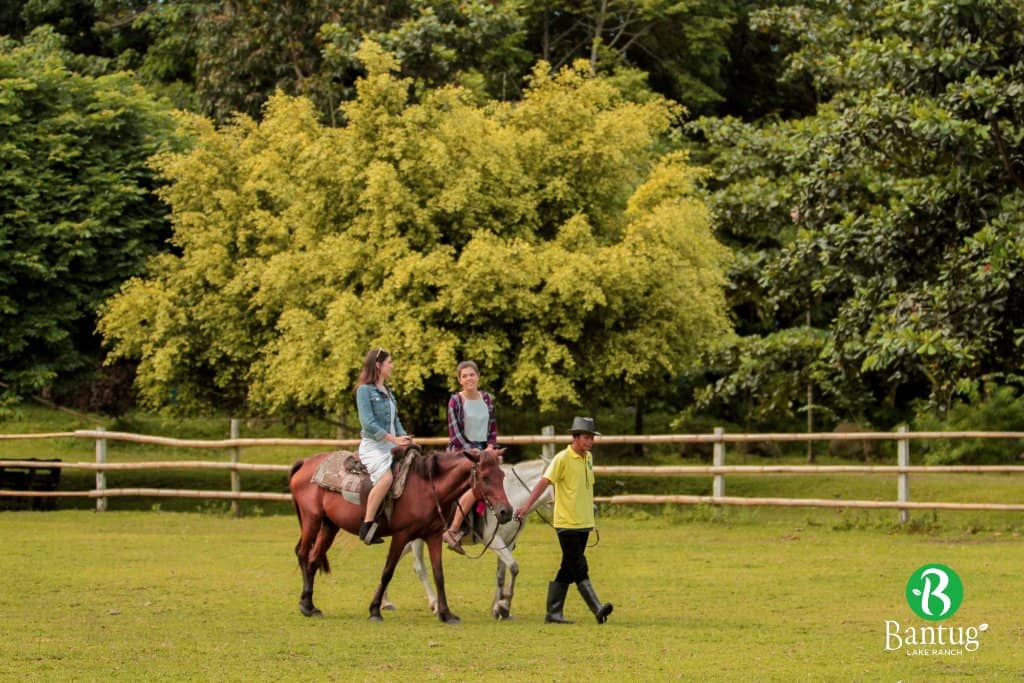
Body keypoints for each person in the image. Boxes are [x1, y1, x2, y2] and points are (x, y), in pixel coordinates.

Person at [515, 416, 613, 624]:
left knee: (567, 567)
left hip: (584, 523)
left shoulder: (588, 458)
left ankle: (553, 612)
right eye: (586, 437)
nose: (590, 442)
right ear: (575, 438)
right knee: (579, 565)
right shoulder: (561, 459)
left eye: (592, 438)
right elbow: (544, 483)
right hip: (566, 523)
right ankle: (597, 608)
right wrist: (526, 507)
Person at [355, 348, 412, 545]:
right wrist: (393, 439)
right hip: (373, 447)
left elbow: (395, 421)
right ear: (378, 365)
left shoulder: (389, 392)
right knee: (387, 478)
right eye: (390, 362)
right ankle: (367, 524)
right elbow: (368, 424)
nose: (392, 365)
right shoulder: (364, 391)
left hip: (391, 444)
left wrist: (405, 437)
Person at [442, 360, 499, 555]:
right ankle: (454, 529)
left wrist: (491, 447)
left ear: (478, 376)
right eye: (464, 376)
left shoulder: (487, 399)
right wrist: (477, 452)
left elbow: (492, 428)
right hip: (461, 452)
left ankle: (499, 526)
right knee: (478, 484)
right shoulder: (455, 401)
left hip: (484, 451)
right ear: (460, 380)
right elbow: (455, 434)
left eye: (471, 374)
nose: (469, 378)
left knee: (499, 478)